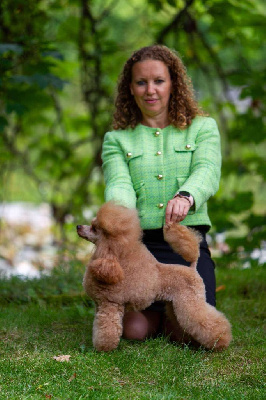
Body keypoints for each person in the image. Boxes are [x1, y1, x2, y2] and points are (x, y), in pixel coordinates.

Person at [101, 45, 221, 343]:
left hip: (186, 244)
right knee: (134, 332)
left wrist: (186, 196)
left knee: (190, 334)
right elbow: (119, 184)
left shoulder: (203, 128)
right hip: (140, 249)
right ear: (130, 88)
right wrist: (116, 219)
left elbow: (207, 170)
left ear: (173, 84)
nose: (150, 90)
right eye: (141, 82)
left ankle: (172, 318)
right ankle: (152, 315)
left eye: (158, 81)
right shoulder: (116, 139)